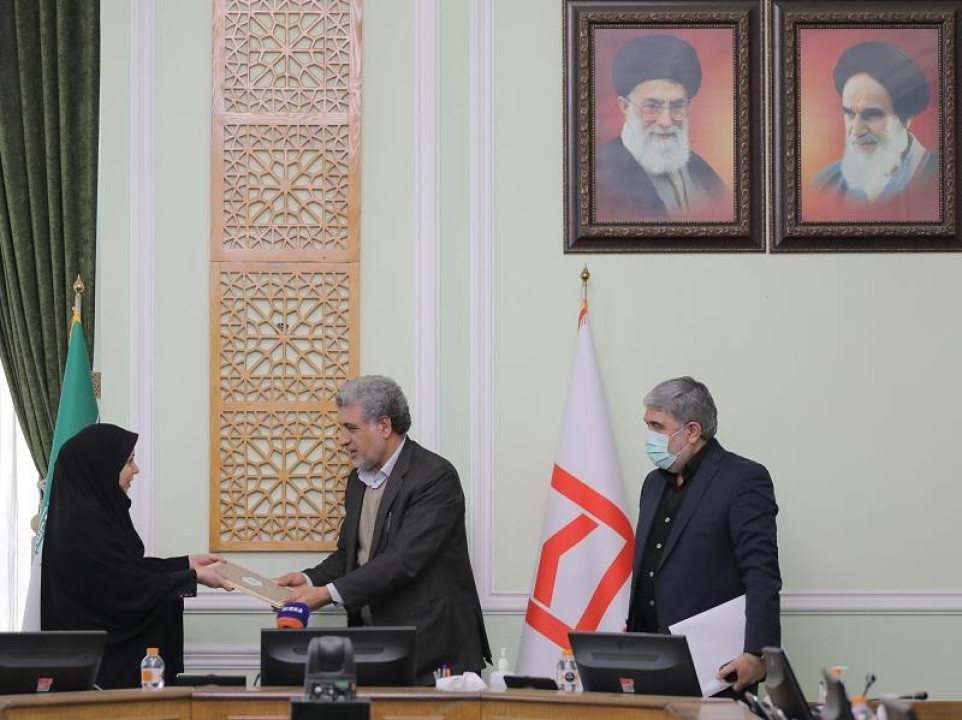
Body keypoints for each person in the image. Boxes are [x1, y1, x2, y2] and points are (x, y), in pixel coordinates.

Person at [276, 375, 491, 685]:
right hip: (377, 648)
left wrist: (326, 594)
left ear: (384, 426)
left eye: (350, 428)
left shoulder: (436, 477)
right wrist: (308, 579)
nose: (341, 439)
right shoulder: (357, 480)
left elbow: (403, 559)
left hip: (432, 653)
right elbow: (351, 555)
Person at [40, 423, 232, 689]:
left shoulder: (95, 513)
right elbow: (123, 588)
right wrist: (191, 577)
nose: (137, 469)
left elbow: (126, 568)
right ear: (102, 466)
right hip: (100, 673)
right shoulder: (82, 524)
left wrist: (186, 564)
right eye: (129, 461)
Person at [626, 377, 781, 695]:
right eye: (647, 425)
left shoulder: (742, 479)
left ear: (692, 431)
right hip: (648, 659)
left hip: (714, 666)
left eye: (657, 426)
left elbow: (761, 573)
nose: (649, 436)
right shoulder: (653, 484)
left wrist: (756, 652)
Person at [595, 34, 729, 222]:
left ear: (687, 108)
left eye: (677, 106)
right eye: (652, 107)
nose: (666, 121)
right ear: (625, 107)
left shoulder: (701, 170)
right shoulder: (601, 174)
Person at [811, 41, 939, 207]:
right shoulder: (825, 181)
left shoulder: (938, 177)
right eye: (849, 113)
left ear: (905, 118)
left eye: (872, 115)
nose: (856, 130)